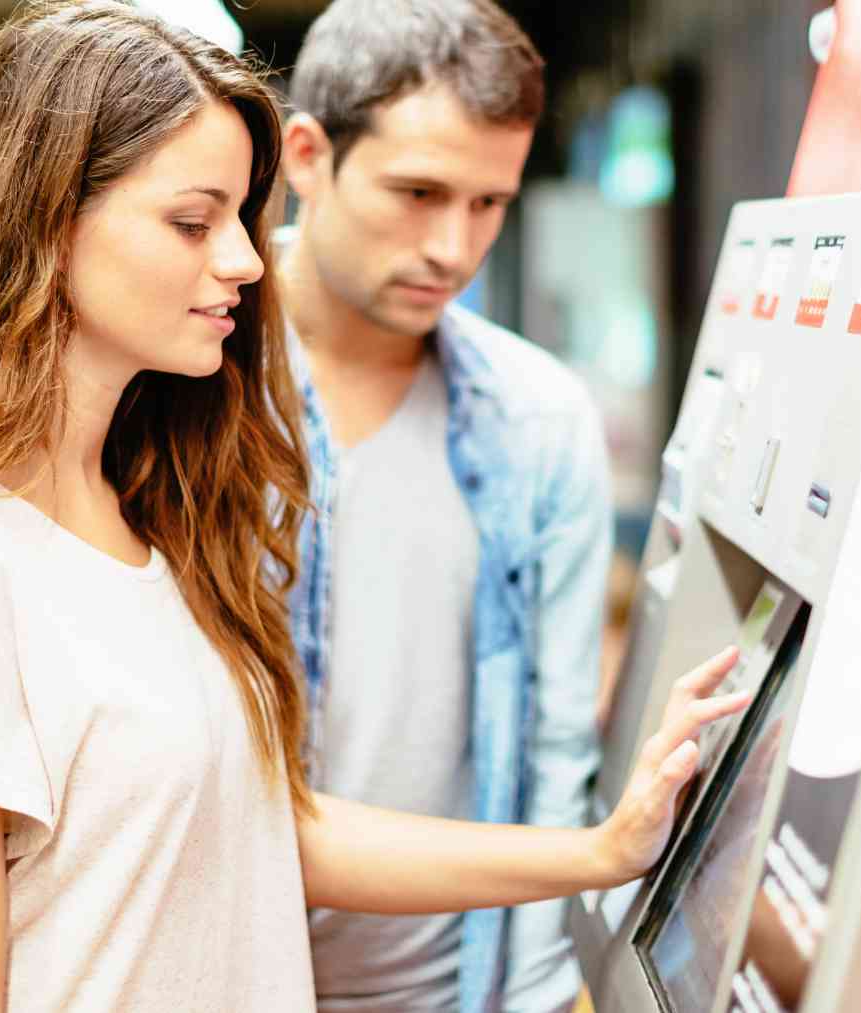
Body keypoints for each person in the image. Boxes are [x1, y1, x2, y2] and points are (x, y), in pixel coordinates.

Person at [0, 3, 746, 1010]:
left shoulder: (149, 515)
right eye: (193, 222)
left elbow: (269, 822)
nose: (246, 257)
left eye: (240, 218)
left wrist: (605, 847)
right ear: (42, 222)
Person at [276, 2, 608, 1009]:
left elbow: (557, 758)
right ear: (307, 155)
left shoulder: (538, 420)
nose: (451, 248)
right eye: (417, 192)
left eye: (487, 203)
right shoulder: (187, 387)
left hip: (447, 990)